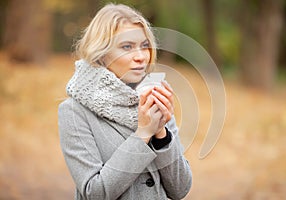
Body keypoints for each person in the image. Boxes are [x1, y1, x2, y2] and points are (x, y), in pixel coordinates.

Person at [58, 3, 192, 200]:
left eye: (144, 46)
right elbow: (94, 193)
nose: (140, 57)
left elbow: (181, 189)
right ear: (101, 53)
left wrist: (161, 133)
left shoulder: (154, 98)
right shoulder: (74, 112)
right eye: (127, 47)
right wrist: (143, 134)